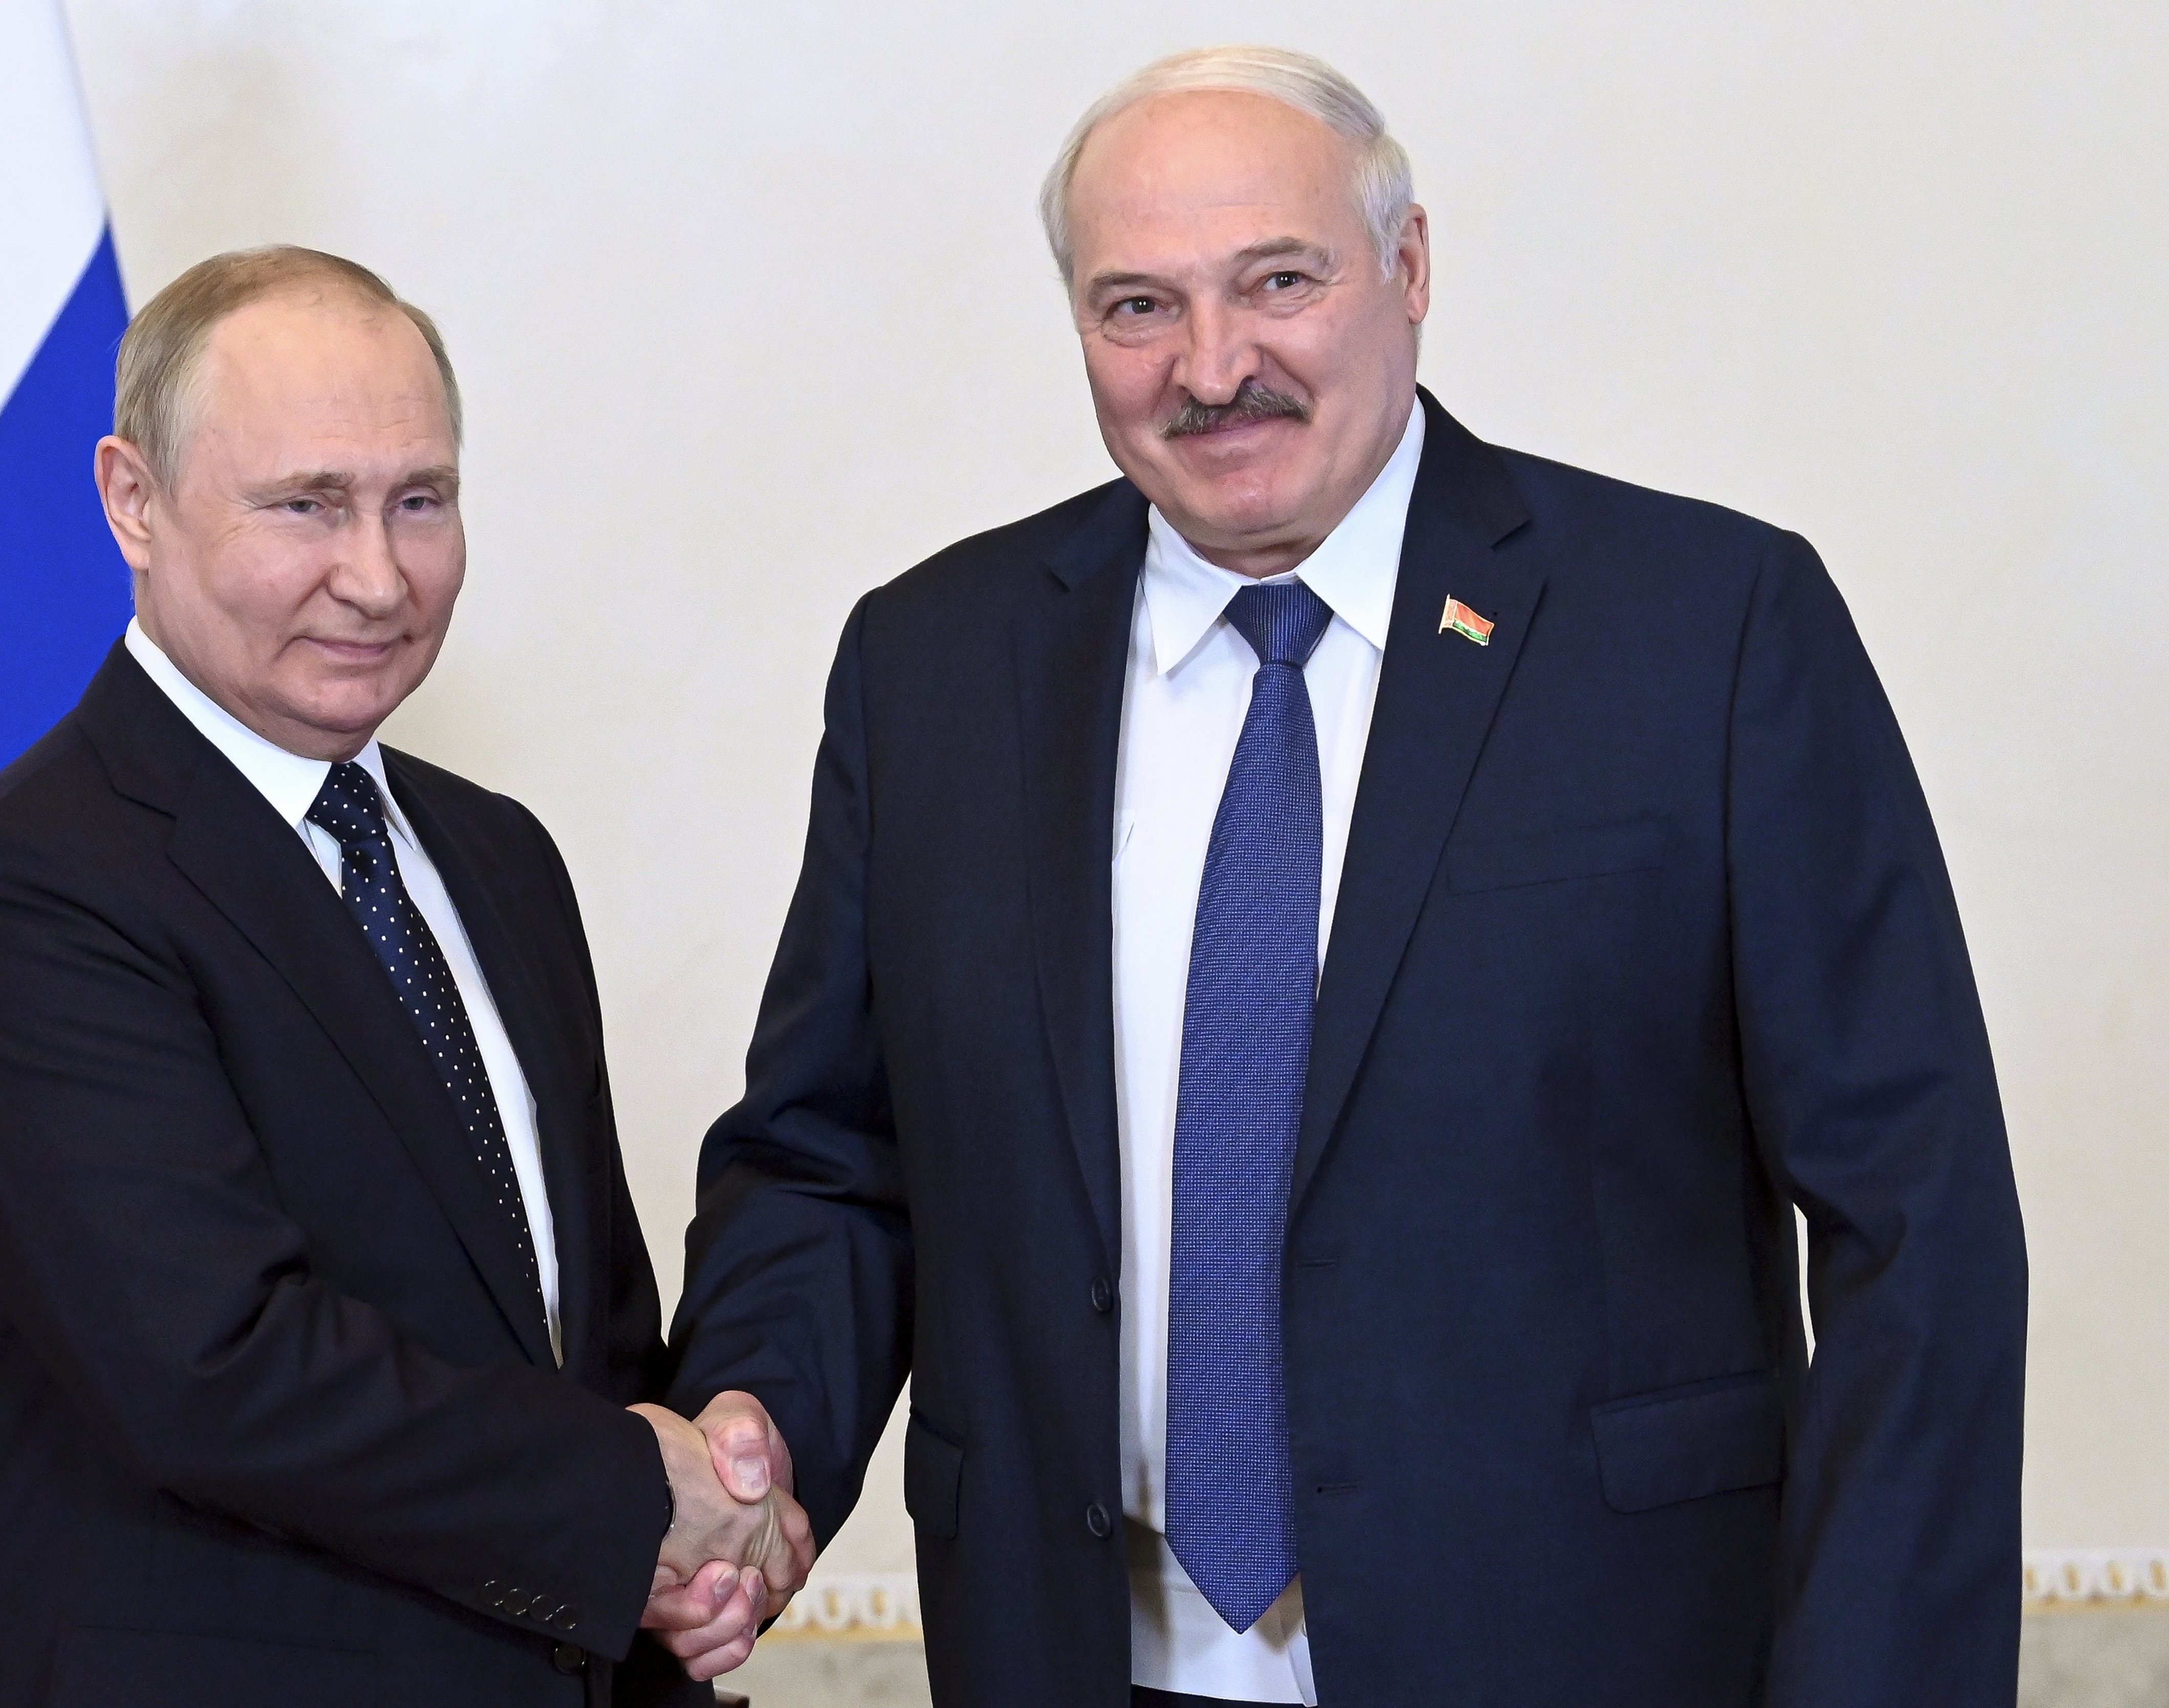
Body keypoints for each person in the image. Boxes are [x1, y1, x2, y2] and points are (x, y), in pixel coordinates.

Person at [667, 46, 2026, 1707]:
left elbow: (1921, 1227)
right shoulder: (934, 666)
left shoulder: (1707, 632)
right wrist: (753, 1432)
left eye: (1278, 283)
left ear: (1411, 270)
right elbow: (830, 1157)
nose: (1213, 365)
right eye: (1137, 307)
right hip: (1068, 1656)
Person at [0, 245, 807, 1708]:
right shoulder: (30, 884)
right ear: (133, 499)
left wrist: (698, 1544)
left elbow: (585, 1333)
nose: (376, 576)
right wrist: (645, 1502)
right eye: (305, 504)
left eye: (418, 501)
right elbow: (217, 1367)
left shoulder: (496, 858)